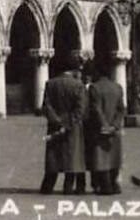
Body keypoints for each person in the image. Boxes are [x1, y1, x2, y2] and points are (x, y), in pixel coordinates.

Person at [40, 55, 86, 195]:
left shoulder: (50, 83)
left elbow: (46, 106)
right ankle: (68, 187)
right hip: (73, 127)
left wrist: (57, 121)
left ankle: (47, 187)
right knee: (72, 158)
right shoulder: (78, 85)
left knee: (54, 158)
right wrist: (68, 124)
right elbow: (80, 108)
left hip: (54, 125)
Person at [84, 61, 126, 195]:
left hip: (98, 130)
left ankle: (105, 186)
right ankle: (114, 184)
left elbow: (96, 109)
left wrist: (104, 126)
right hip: (115, 130)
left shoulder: (94, 88)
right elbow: (121, 109)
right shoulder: (118, 87)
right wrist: (114, 125)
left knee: (100, 159)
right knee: (114, 158)